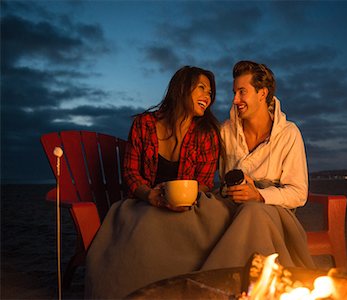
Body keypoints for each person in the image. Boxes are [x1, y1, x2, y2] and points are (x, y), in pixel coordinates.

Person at [84, 66, 233, 299]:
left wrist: (183, 194)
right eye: (202, 88)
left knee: (213, 219)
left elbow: (204, 181)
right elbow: (131, 173)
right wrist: (151, 195)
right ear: (182, 88)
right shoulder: (144, 124)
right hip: (144, 201)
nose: (208, 96)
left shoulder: (207, 132)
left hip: (189, 202)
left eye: (211, 92)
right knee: (143, 225)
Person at [200, 60, 315, 271]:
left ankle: (221, 280)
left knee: (253, 213)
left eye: (242, 92)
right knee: (194, 213)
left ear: (262, 93)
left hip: (272, 213)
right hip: (229, 206)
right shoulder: (225, 131)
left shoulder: (288, 134)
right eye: (234, 92)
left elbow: (299, 193)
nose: (235, 100)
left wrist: (260, 196)